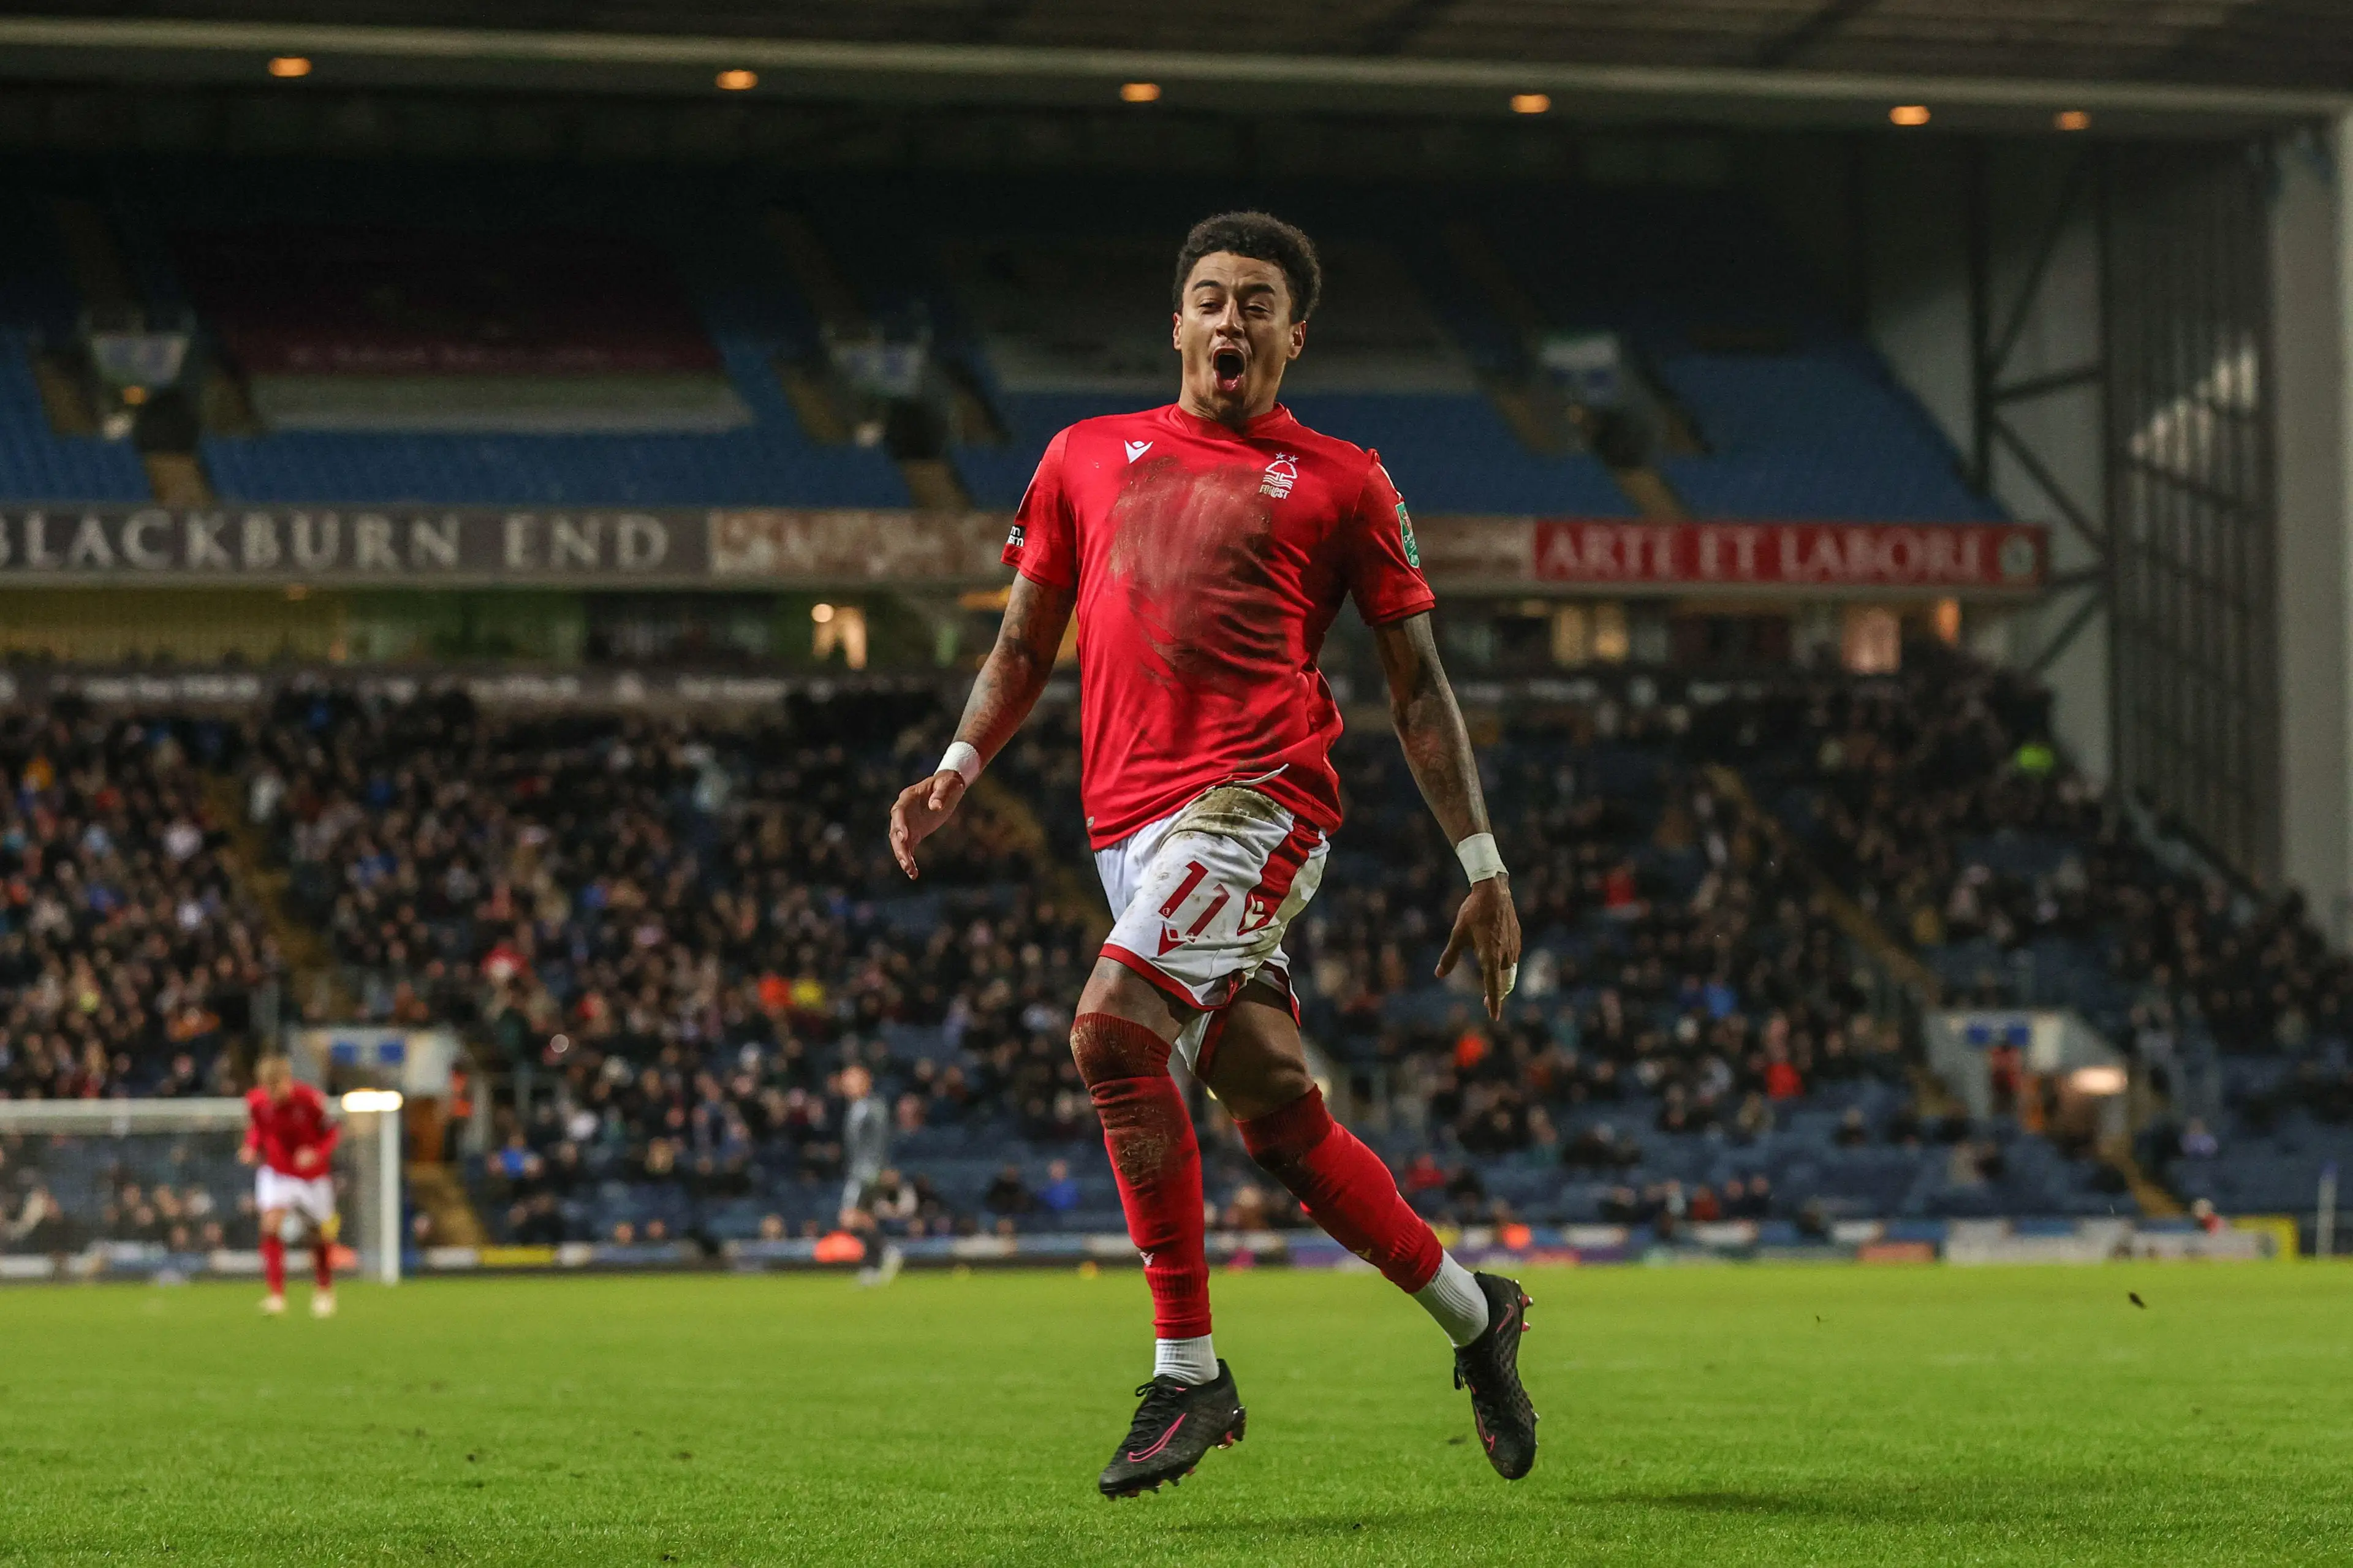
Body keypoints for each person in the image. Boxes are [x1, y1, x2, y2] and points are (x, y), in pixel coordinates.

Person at [890, 211, 1535, 1499]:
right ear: (1174, 323)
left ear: (1296, 334)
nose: (1229, 320)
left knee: (1110, 1034)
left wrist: (1482, 858)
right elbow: (1024, 644)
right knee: (1278, 1119)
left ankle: (1188, 1373)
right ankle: (1481, 1315)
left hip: (1258, 803)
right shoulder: (1083, 455)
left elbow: (1417, 686)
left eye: (1256, 303)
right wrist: (957, 768)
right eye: (1207, 298)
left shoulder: (1348, 482)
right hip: (1125, 829)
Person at [240, 1055, 341, 1317]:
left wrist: (316, 1153)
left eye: (277, 1087)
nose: (272, 1094)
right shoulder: (256, 1102)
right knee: (271, 1225)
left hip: (312, 1176)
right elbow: (257, 1130)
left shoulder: (310, 1100)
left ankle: (324, 1290)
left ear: (288, 1081)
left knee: (318, 1234)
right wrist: (251, 1147)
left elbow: (332, 1132)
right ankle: (276, 1296)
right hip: (277, 1171)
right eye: (267, 1088)